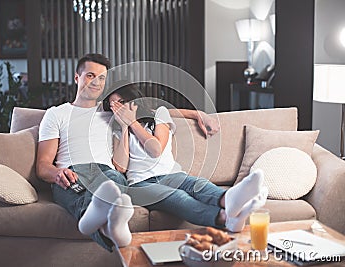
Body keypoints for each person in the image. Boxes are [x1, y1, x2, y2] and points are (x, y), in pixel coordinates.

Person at [36, 53, 219, 252]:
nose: (96, 82)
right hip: (73, 173)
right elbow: (42, 165)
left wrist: (198, 114)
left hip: (108, 173)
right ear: (77, 77)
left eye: (102, 78)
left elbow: (151, 110)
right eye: (90, 75)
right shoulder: (56, 114)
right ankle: (104, 223)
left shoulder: (112, 112)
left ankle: (97, 223)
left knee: (112, 185)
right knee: (104, 194)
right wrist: (57, 174)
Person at [104, 83, 268, 232]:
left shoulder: (159, 115)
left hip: (172, 174)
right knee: (178, 197)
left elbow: (156, 149)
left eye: (120, 103)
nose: (117, 109)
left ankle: (231, 201)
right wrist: (126, 126)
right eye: (113, 106)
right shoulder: (118, 130)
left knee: (199, 185)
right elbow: (121, 168)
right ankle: (225, 218)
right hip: (141, 184)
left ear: (134, 100)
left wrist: (133, 122)